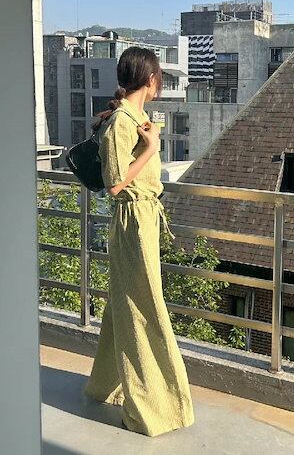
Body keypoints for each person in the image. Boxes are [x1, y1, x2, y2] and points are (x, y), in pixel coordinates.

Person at [84, 46, 195, 437]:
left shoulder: (135, 117)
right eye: (159, 75)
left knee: (126, 303)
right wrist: (150, 148)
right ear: (151, 79)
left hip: (143, 219)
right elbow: (115, 185)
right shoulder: (122, 122)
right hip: (133, 220)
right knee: (145, 308)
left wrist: (149, 141)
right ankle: (155, 405)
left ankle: (107, 386)